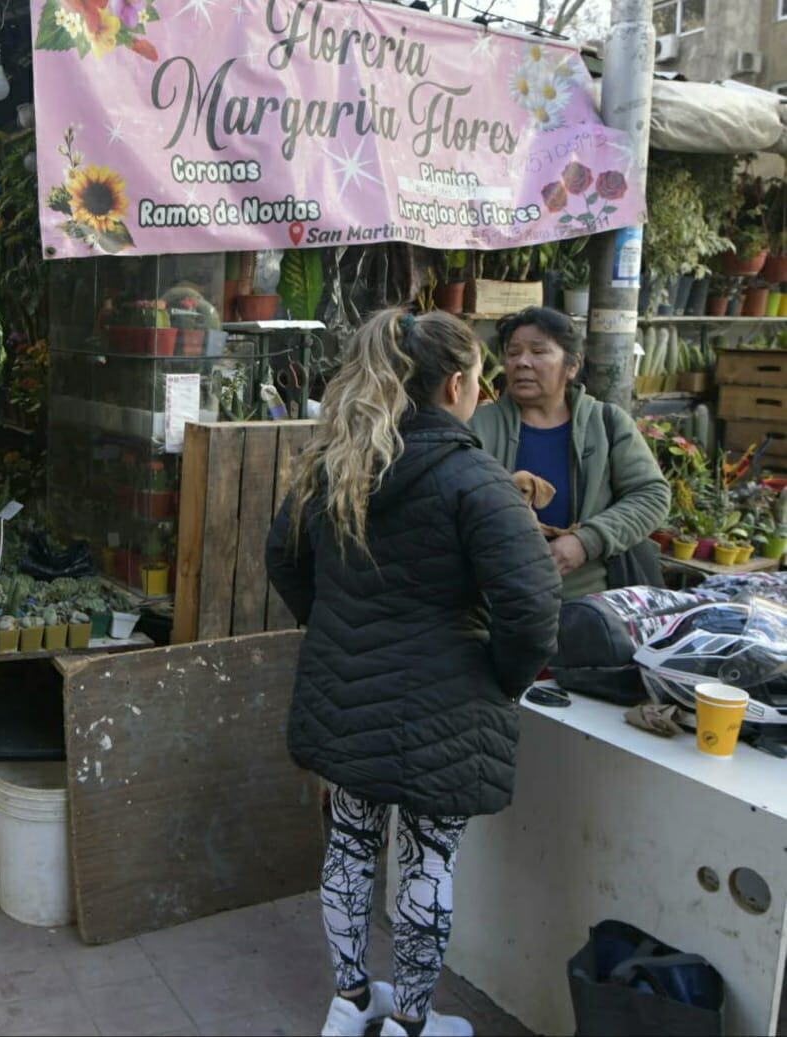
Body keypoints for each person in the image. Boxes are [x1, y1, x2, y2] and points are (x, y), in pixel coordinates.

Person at [265, 309, 560, 1037]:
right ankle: (410, 1023)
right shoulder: (475, 478)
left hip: (348, 695)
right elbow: (531, 603)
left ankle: (350, 1000)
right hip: (445, 709)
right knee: (428, 858)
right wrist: (502, 675)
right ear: (457, 383)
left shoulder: (338, 462)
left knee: (351, 843)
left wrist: (338, 630)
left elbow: (283, 559)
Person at [471, 307, 670, 599]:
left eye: (538, 352)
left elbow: (652, 495)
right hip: (497, 603)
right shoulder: (477, 427)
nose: (522, 362)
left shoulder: (606, 424)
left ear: (572, 366)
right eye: (513, 353)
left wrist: (586, 541)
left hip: (590, 602)